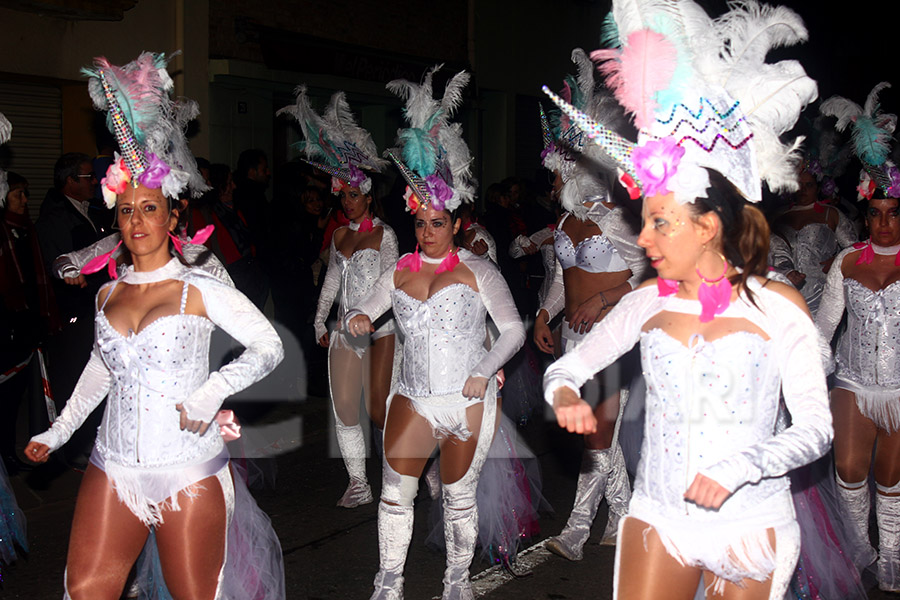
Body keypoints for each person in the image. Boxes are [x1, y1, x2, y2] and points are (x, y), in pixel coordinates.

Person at [543, 1, 828, 597]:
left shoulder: (777, 306)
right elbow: (570, 365)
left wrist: (741, 468)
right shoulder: (645, 302)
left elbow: (816, 428)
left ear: (708, 226)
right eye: (643, 221)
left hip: (751, 525)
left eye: (660, 223)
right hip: (658, 516)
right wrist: (564, 392)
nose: (643, 239)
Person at [24, 52, 285, 600]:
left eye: (148, 208)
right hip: (112, 463)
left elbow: (268, 346)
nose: (136, 221)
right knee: (83, 590)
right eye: (126, 210)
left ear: (171, 215)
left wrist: (211, 392)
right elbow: (100, 369)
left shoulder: (200, 286)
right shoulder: (108, 293)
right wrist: (58, 431)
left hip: (187, 466)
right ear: (114, 217)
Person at [345, 66, 525, 599]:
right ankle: (389, 583)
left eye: (437, 223)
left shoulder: (479, 271)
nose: (427, 232)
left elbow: (512, 331)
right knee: (393, 498)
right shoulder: (399, 267)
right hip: (412, 397)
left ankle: (455, 581)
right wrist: (357, 318)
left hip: (466, 400)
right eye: (420, 222)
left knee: (457, 500)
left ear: (456, 221)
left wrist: (483, 370)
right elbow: (369, 306)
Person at [533, 50, 647, 560]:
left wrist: (604, 296)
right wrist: (544, 313)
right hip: (573, 341)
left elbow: (651, 278)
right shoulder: (564, 224)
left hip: (612, 338)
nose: (551, 184)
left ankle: (576, 532)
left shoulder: (619, 220)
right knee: (598, 437)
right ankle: (622, 513)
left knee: (596, 438)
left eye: (556, 174)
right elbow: (562, 276)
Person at [278, 86, 398, 508]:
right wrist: (319, 320)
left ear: (368, 195)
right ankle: (359, 483)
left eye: (353, 195)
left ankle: (405, 472)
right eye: (342, 195)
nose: (346, 202)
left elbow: (391, 281)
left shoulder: (385, 234)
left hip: (381, 330)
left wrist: (372, 317)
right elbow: (330, 281)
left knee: (381, 411)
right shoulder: (340, 235)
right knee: (346, 408)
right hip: (344, 330)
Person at [816, 83, 900, 592]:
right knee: (848, 467)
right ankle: (856, 546)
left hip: (899, 387)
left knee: (891, 479)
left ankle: (891, 554)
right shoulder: (848, 262)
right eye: (876, 214)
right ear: (865, 213)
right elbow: (825, 326)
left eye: (894, 214)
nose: (884, 224)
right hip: (851, 378)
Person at [1, 167, 60, 473]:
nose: (25, 200)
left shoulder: (26, 230)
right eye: (17, 195)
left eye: (26, 193)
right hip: (6, 329)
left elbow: (37, 281)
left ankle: (8, 450)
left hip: (25, 326)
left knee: (15, 397)